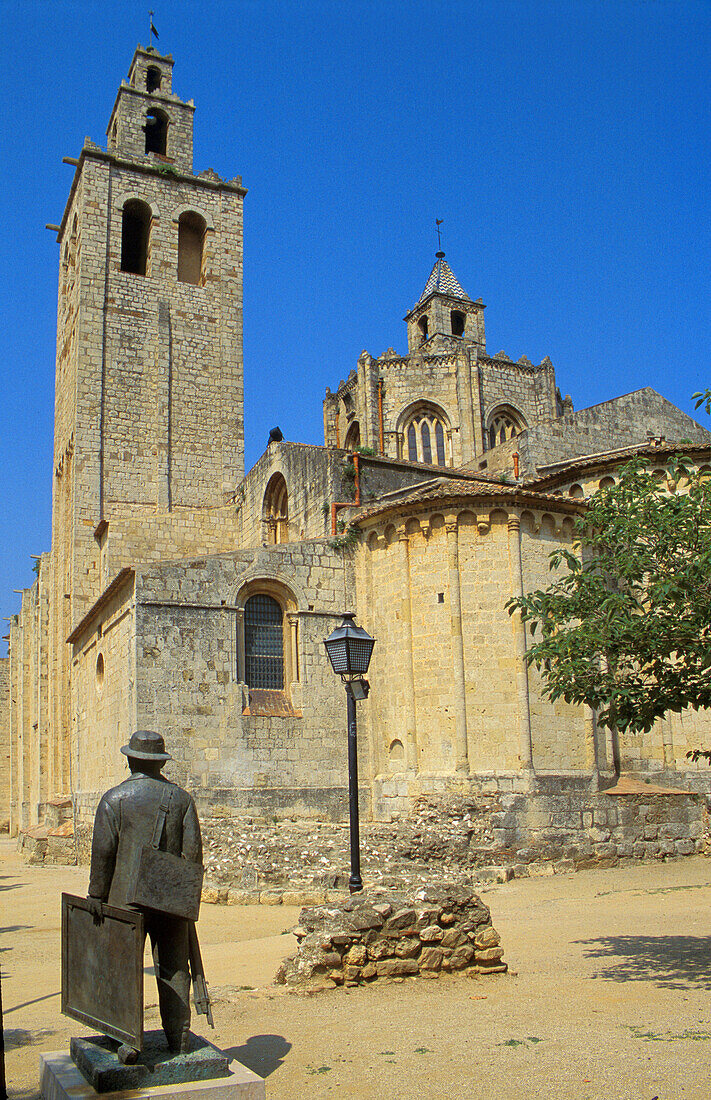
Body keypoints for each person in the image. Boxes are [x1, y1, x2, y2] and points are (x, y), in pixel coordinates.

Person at [87, 730, 202, 1059]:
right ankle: (178, 1037)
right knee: (175, 968)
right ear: (159, 763)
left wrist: (96, 894)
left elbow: (104, 852)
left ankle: (126, 1039)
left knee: (123, 968)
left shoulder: (114, 800)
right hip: (169, 898)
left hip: (124, 901)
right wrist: (186, 900)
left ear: (130, 760)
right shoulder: (181, 800)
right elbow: (193, 855)